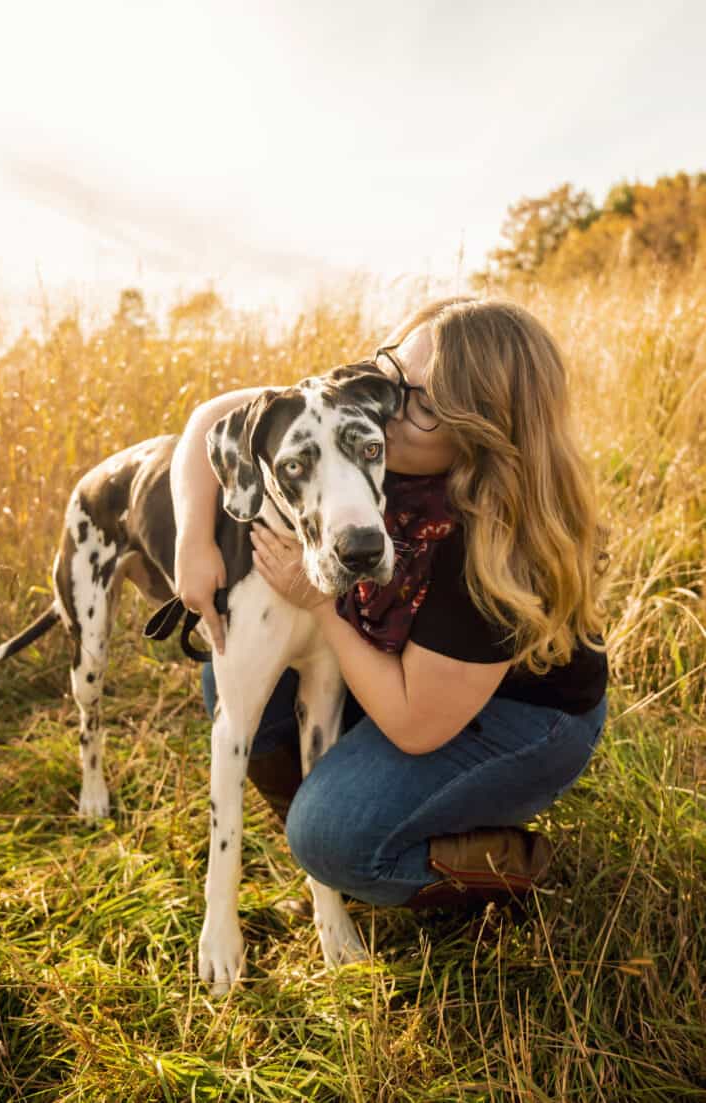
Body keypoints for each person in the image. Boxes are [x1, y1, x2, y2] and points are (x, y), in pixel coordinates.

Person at [169, 296, 609, 914]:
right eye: (391, 371)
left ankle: (492, 866)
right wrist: (193, 542)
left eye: (424, 404)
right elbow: (223, 415)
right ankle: (335, 865)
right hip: (409, 668)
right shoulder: (381, 397)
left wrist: (319, 603)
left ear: (482, 434)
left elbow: (413, 722)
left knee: (334, 837)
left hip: (520, 718)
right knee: (234, 664)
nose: (389, 403)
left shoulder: (499, 544)